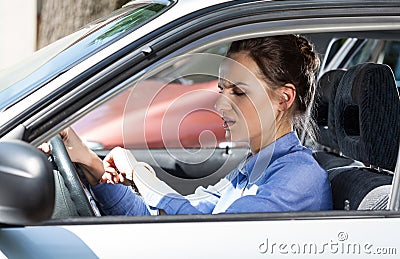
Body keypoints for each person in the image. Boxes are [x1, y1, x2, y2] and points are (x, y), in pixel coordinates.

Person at [53, 35, 333, 215]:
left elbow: (217, 239)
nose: (221, 105)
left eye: (239, 91)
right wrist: (95, 168)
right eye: (222, 89)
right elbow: (180, 219)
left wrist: (139, 173)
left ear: (283, 99)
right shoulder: (251, 170)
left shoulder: (299, 179)